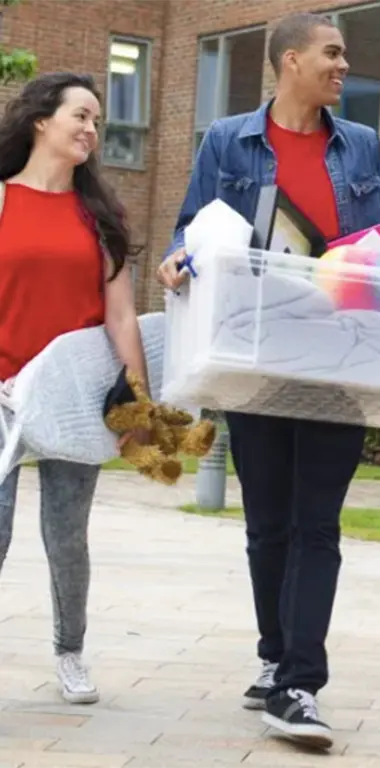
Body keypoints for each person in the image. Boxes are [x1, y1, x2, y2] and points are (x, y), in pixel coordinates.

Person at [157, 12, 380, 750]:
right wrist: (175, 259)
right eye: (334, 54)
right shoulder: (227, 140)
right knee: (267, 524)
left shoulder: (360, 145)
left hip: (339, 358)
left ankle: (301, 682)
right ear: (291, 60)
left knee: (317, 524)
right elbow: (191, 225)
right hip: (257, 359)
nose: (345, 66)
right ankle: (275, 655)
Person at [0, 73, 148, 705]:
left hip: (73, 399)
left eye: (97, 123)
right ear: (41, 121)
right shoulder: (1, 200)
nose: (91, 129)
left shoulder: (100, 215)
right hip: (2, 389)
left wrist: (141, 403)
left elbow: (120, 315)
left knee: (67, 535)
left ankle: (70, 652)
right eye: (81, 116)